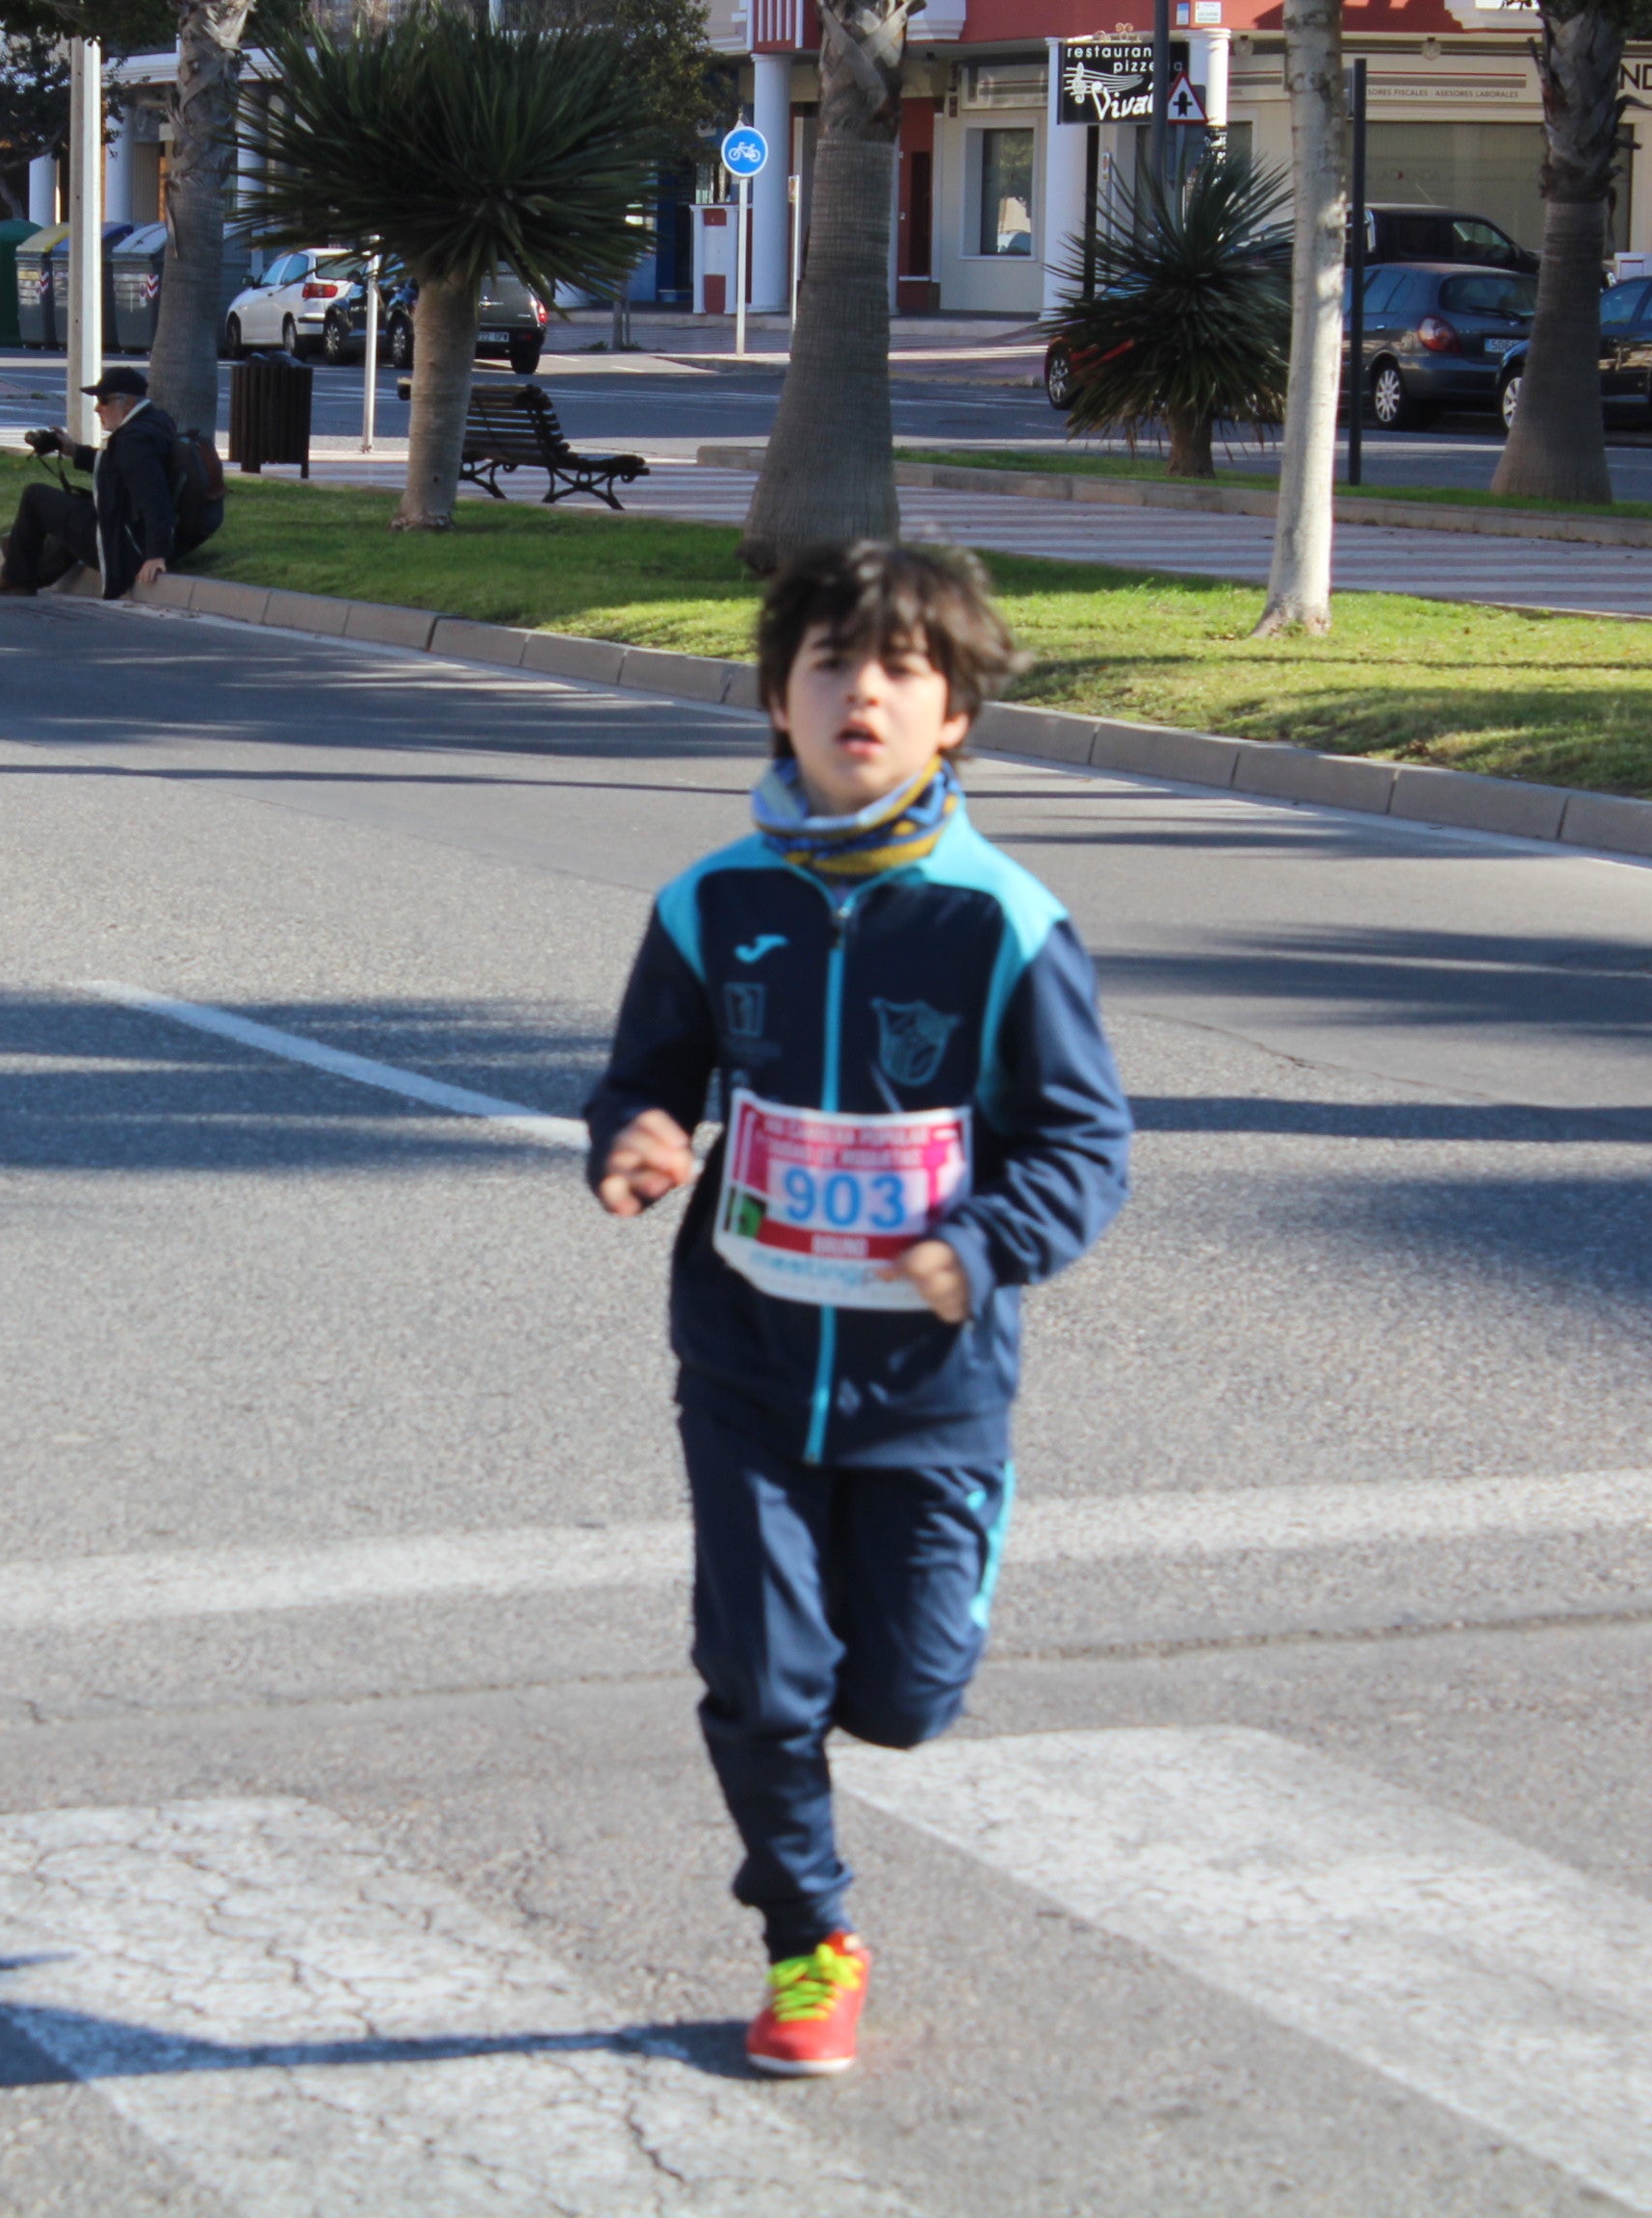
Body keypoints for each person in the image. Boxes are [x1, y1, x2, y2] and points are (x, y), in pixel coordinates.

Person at [584, 541, 1131, 2079]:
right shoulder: (713, 905)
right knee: (763, 1679)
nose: (862, 694)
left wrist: (989, 1241)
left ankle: (937, 1601)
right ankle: (808, 1937)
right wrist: (633, 1138)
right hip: (747, 1362)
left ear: (954, 710)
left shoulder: (1001, 922)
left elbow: (1085, 1144)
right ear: (777, 697)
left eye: (899, 669)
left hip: (930, 1386)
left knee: (901, 1701)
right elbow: (647, 1076)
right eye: (830, 664)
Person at [0, 365, 182, 600]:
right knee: (75, 511)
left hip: (121, 544)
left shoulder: (135, 442)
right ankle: (26, 566)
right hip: (123, 528)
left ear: (128, 403)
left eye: (104, 400)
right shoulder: (153, 423)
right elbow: (115, 464)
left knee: (35, 496)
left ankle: (16, 577)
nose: (97, 408)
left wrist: (155, 555)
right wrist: (72, 449)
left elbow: (154, 497)